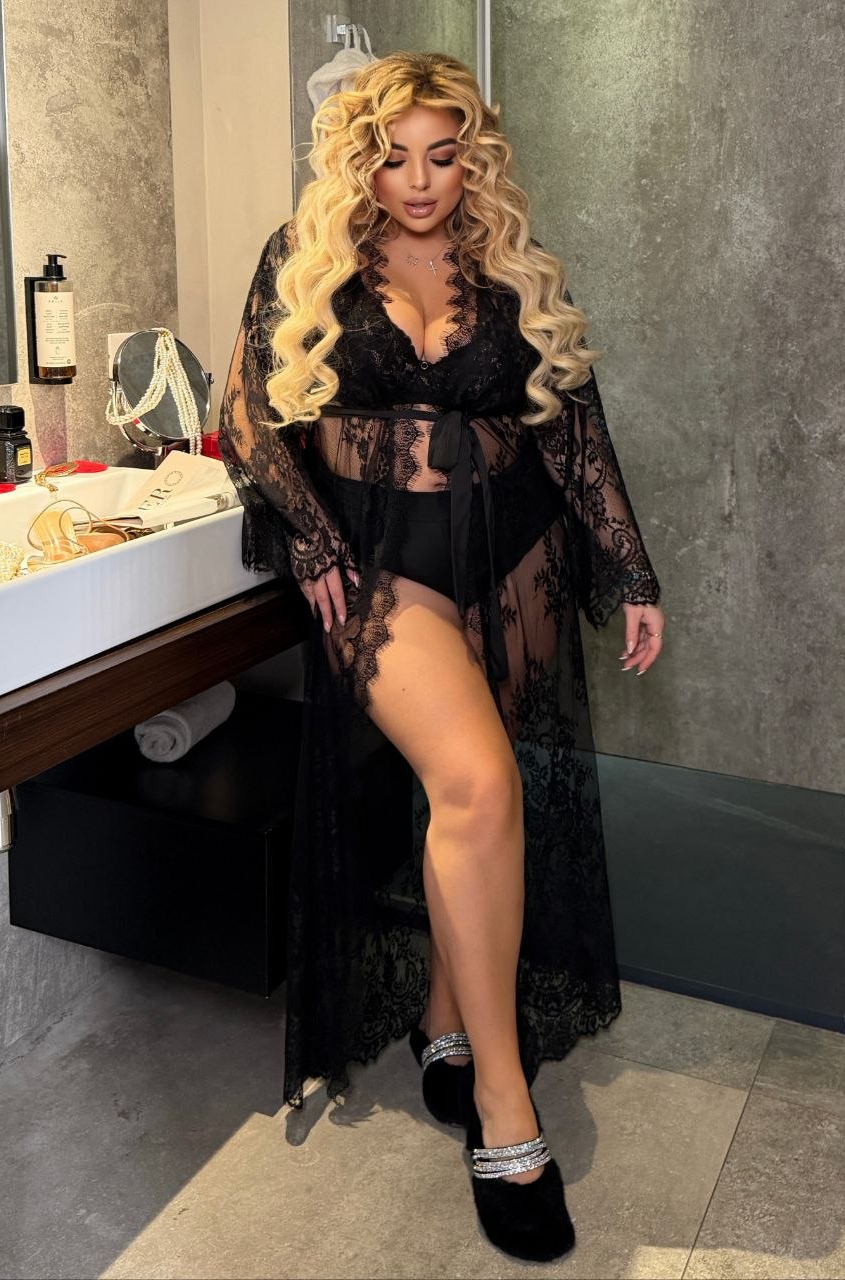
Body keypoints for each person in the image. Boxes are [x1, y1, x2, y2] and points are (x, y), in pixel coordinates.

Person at [218, 51, 665, 1263]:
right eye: (393, 157)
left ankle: (443, 1023)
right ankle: (505, 1110)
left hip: (510, 549)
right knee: (474, 782)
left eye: (443, 154)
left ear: (474, 158)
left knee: (483, 802)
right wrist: (310, 536)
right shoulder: (306, 254)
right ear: (359, 162)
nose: (418, 181)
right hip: (380, 557)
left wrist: (629, 567)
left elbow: (571, 426)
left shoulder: (505, 262)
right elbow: (248, 411)